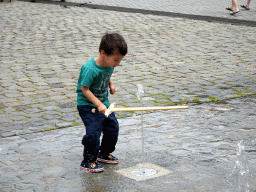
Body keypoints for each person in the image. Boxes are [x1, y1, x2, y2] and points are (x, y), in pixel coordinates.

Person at [76, 33, 127, 173]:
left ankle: (104, 153)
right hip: (87, 105)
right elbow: (84, 89)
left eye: (119, 61)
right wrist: (98, 104)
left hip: (104, 103)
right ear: (103, 53)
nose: (117, 64)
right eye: (116, 60)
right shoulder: (90, 69)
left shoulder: (109, 65)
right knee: (93, 133)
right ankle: (88, 160)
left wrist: (111, 84)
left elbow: (107, 74)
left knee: (112, 128)